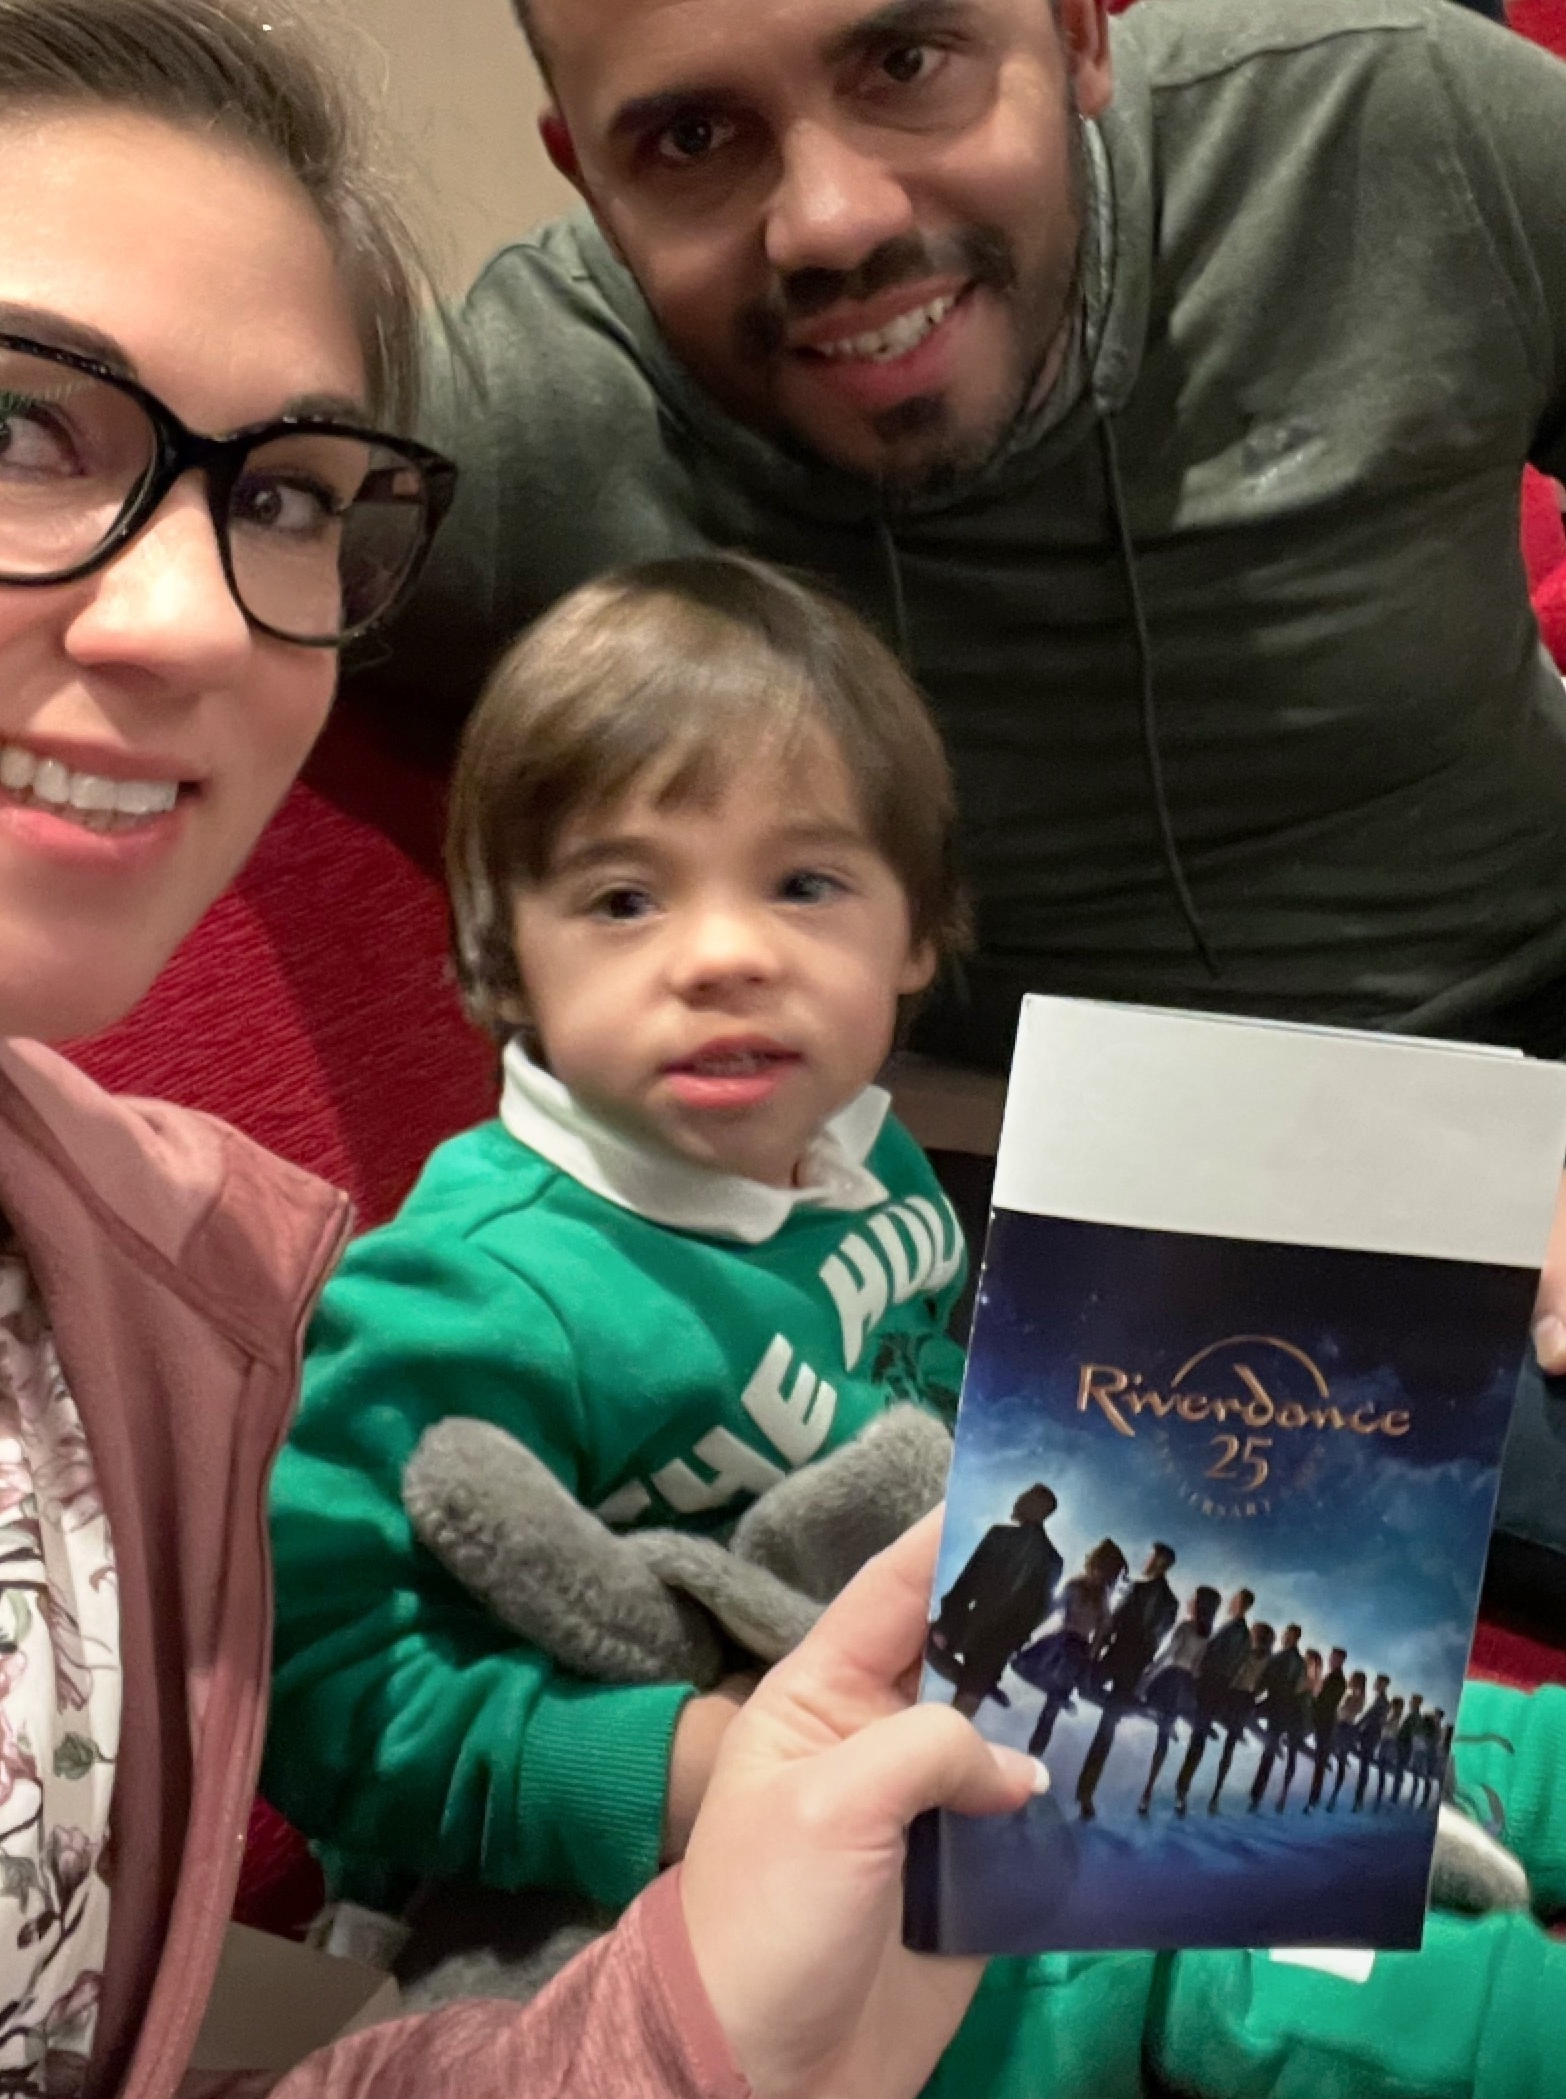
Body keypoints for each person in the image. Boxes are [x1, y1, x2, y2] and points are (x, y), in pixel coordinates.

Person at [0, 2, 1049, 2092]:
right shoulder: (416, 1294)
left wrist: (695, 2027)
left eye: (288, 493)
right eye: (0, 424)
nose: (193, 617)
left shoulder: (156, 1294)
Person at [342, 0, 1566, 1611]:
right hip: (1126, 1199)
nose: (831, 217)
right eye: (691, 139)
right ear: (589, 177)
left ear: (1076, 32)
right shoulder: (516, 430)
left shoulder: (1403, 123)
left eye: (905, 62)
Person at [267, 554, 974, 1917]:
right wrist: (685, 1767)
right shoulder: (469, 1292)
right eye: (623, 900)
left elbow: (932, 1400)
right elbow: (323, 1689)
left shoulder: (874, 1155)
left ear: (916, 934)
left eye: (805, 882)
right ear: (504, 962)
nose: (722, 955)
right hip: (616, 1874)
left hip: (919, 1712)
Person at [932, 1485, 1065, 1720]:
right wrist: (1017, 1640)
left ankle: (976, 1686)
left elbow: (967, 1581)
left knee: (959, 1702)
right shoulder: (1054, 1559)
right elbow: (1041, 1611)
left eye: (1024, 1497)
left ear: (1033, 1505)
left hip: (977, 1625)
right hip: (999, 1640)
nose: (1017, 1499)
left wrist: (945, 1623)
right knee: (964, 1708)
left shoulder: (1000, 1535)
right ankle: (978, 1686)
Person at [1071, 1541, 1176, 1819]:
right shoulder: (1171, 1602)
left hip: (1118, 1656)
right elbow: (1157, 1639)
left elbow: (1114, 1621)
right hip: (1135, 1664)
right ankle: (1085, 1794)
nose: (1146, 1561)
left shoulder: (1139, 1589)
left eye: (1151, 1558)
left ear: (1159, 1562)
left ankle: (1085, 1793)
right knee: (1107, 1723)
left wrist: (1096, 1650)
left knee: (1082, 1686)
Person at [1015, 1535, 1126, 1758]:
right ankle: (1059, 1698)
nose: (1099, 1576)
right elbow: (1053, 1608)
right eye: (1098, 1568)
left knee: (1051, 1709)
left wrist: (1091, 1657)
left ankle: (1034, 1755)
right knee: (1020, 1665)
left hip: (1078, 1650)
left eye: (1105, 1573)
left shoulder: (1102, 1597)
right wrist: (1028, 1631)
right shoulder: (1075, 1584)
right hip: (1059, 1642)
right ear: (1092, 1564)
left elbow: (1102, 1630)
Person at [1135, 1584, 1219, 1816]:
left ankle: (1148, 1791)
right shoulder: (1208, 1635)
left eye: (1194, 1598)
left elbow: (1169, 1653)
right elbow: (1198, 1668)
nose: (1190, 1600)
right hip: (1188, 1683)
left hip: (1171, 1679)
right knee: (1170, 1726)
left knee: (1156, 1726)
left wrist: (1149, 1672)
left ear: (1198, 1604)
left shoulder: (1186, 1627)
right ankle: (1175, 1796)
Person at [1172, 1584, 1253, 1813]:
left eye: (1234, 1600)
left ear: (1240, 1604)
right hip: (1218, 1686)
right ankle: (1183, 1787)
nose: (1230, 1603)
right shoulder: (1242, 1634)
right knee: (1198, 1733)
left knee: (1197, 1734)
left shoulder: (1234, 1630)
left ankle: (1182, 1788)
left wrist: (1199, 1674)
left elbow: (1214, 1655)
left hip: (1209, 1683)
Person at [1207, 1620, 1277, 1814]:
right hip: (1246, 1699)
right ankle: (1216, 1795)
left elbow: (1233, 1671)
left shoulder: (1247, 1651)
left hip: (1231, 1694)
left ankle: (1215, 1794)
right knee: (1229, 1747)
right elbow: (1263, 1685)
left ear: (1257, 1636)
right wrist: (1253, 1693)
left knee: (1214, 1724)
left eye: (1254, 1633)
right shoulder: (1269, 1659)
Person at [1248, 1624, 1311, 1812]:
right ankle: (1260, 1796)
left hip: (1277, 1706)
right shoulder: (1298, 1661)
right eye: (1284, 1634)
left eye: (1287, 1635)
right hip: (1284, 1707)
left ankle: (1256, 1796)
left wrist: (1253, 1695)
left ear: (1294, 1637)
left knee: (1267, 1751)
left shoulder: (1286, 1658)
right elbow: (1299, 1689)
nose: (1284, 1637)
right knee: (1270, 1751)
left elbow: (1267, 1680)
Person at [1307, 1646, 1350, 1811]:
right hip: (1322, 1719)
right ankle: (1314, 1797)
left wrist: (1312, 1703)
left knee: (1320, 1760)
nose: (1331, 1660)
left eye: (1335, 1658)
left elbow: (1326, 1701)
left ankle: (1314, 1798)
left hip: (1325, 1722)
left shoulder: (1338, 1680)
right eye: (1331, 1657)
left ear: (1341, 1661)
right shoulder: (1332, 1676)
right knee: (1320, 1759)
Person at [1324, 1668, 1368, 1812]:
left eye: (1352, 1678)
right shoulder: (1356, 1696)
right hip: (1343, 1728)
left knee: (1339, 1762)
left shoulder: (1355, 1697)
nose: (1350, 1680)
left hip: (1344, 1729)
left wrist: (1338, 1716)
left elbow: (1346, 1712)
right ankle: (1332, 1796)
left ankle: (1333, 1797)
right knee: (1339, 1761)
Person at [1354, 1672, 1397, 1812]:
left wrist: (1358, 1726)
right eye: (1376, 1682)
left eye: (1378, 1682)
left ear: (1383, 1685)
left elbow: (1371, 1717)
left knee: (1364, 1767)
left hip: (1370, 1735)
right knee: (1364, 1766)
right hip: (1370, 1734)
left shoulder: (1383, 1702)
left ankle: (1359, 1800)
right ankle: (1358, 1799)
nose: (1375, 1684)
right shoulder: (1381, 1700)